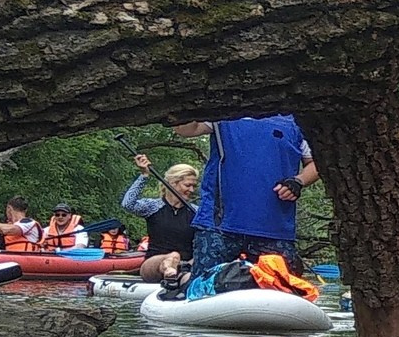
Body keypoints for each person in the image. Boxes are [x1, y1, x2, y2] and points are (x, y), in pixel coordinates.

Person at [177, 115, 317, 273]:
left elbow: (317, 162)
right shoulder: (222, 110)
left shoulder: (298, 119)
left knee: (279, 289)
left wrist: (298, 181)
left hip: (273, 227)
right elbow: (186, 129)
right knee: (204, 285)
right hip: (218, 225)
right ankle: (181, 282)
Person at [122, 152, 199, 281]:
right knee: (173, 256)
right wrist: (144, 175)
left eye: (193, 186)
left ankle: (180, 277)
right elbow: (128, 204)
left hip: (185, 266)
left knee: (188, 260)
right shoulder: (153, 207)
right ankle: (170, 272)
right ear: (173, 184)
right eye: (187, 185)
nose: (191, 190)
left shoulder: (196, 212)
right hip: (153, 264)